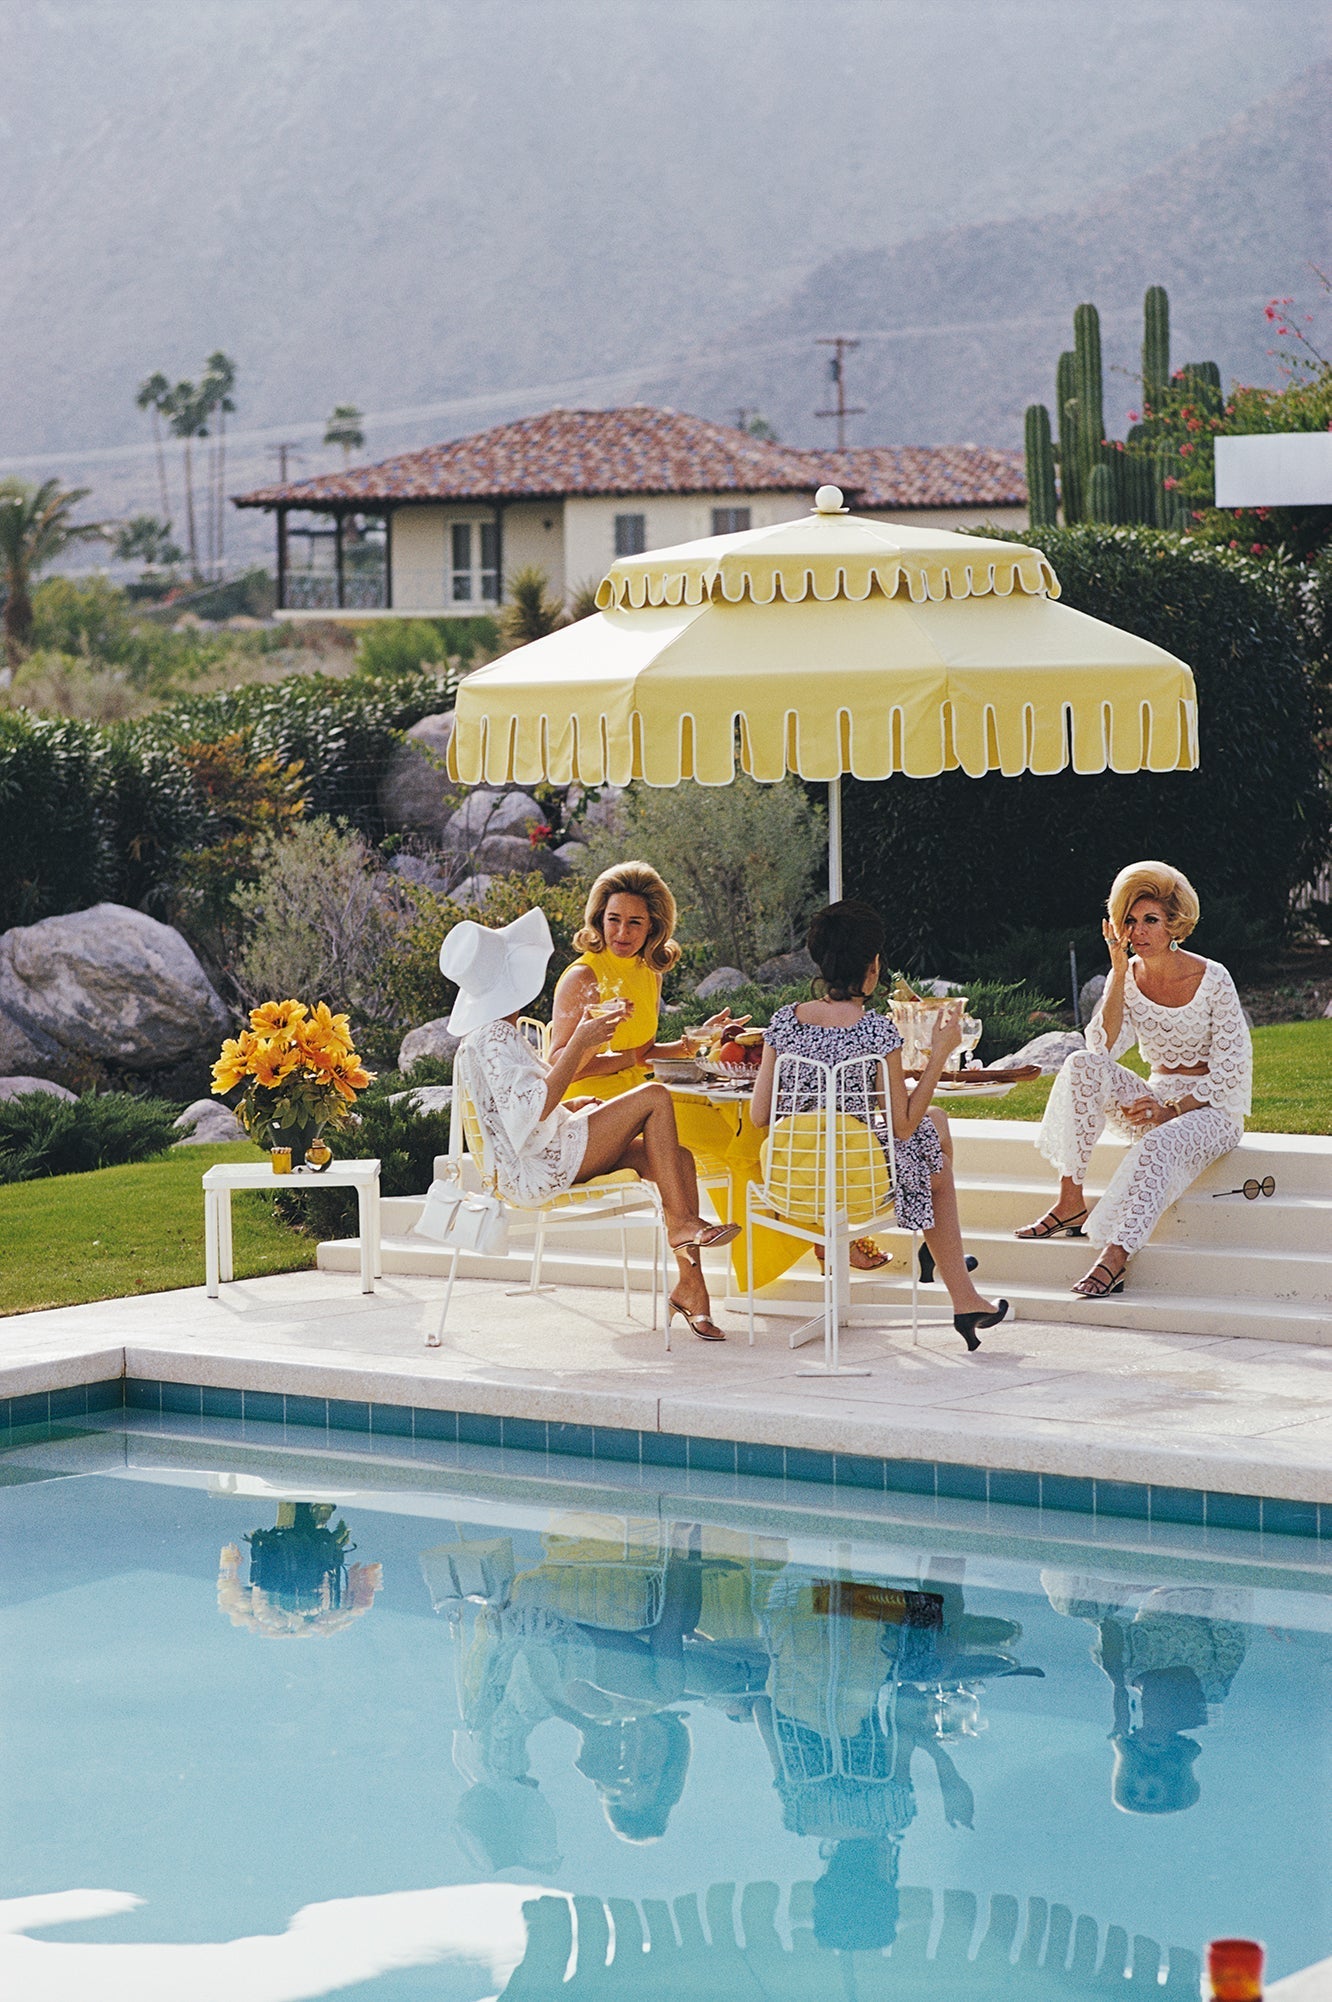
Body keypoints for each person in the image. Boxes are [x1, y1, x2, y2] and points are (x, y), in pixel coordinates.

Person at [441, 905, 738, 1340]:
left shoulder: (496, 1033)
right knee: (655, 1096)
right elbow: (528, 1112)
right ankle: (681, 1227)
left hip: (547, 1148)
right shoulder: (493, 1039)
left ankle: (691, 1289)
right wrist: (581, 1041)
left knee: (678, 1159)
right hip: (535, 1169)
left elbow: (524, 1106)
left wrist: (573, 1105)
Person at [750, 900, 1007, 1350]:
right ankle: (957, 1285)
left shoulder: (783, 1022)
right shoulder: (876, 1031)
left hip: (790, 1179)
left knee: (936, 1126)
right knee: (933, 1156)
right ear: (872, 967)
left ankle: (945, 1262)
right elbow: (902, 1125)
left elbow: (758, 1115)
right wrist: (939, 1054)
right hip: (855, 1182)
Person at [1017, 861, 1252, 1298]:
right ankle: (1070, 1200)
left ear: (1174, 924)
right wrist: (1119, 974)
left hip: (1212, 1111)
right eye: (1130, 921)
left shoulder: (1212, 977)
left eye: (1150, 920)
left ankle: (1116, 1256)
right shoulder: (1126, 975)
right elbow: (1102, 1047)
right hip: (1154, 1099)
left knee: (1158, 1141)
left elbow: (1232, 1072)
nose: (1138, 931)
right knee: (1081, 1064)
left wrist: (1172, 1110)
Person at [547, 861, 742, 1099]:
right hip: (584, 1104)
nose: (622, 932)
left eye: (635, 922)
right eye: (614, 919)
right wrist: (625, 1058)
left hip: (638, 1096)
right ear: (600, 919)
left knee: (724, 1120)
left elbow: (644, 1055)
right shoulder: (583, 976)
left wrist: (694, 1041)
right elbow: (557, 1065)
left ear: (652, 926)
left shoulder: (650, 973)